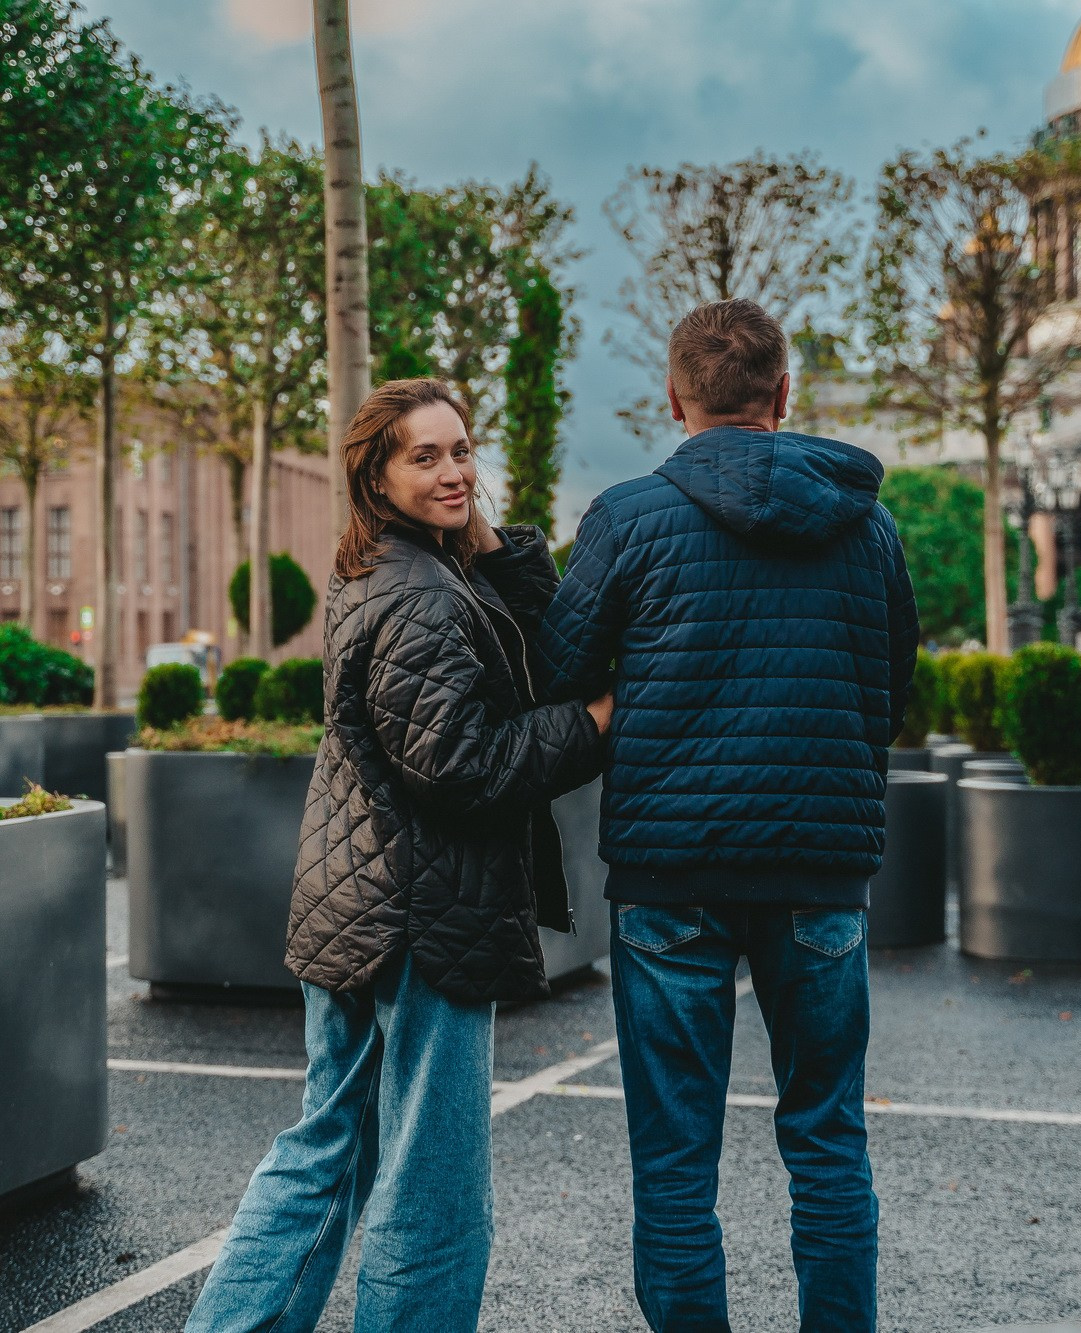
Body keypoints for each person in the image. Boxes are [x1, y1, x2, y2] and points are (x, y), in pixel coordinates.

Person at [183, 377, 612, 1333]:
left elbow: (536, 638)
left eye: (461, 450)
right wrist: (591, 724)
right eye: (425, 456)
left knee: (328, 1148)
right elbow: (458, 765)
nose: (455, 469)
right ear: (375, 474)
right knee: (433, 1185)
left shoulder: (391, 564)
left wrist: (478, 531)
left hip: (361, 896)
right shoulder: (417, 595)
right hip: (425, 916)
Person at [540, 299, 920, 1333]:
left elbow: (559, 673)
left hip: (671, 876)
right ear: (781, 394)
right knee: (828, 1142)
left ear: (673, 398)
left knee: (673, 1166)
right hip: (818, 870)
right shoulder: (866, 522)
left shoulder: (626, 517)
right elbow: (890, 694)